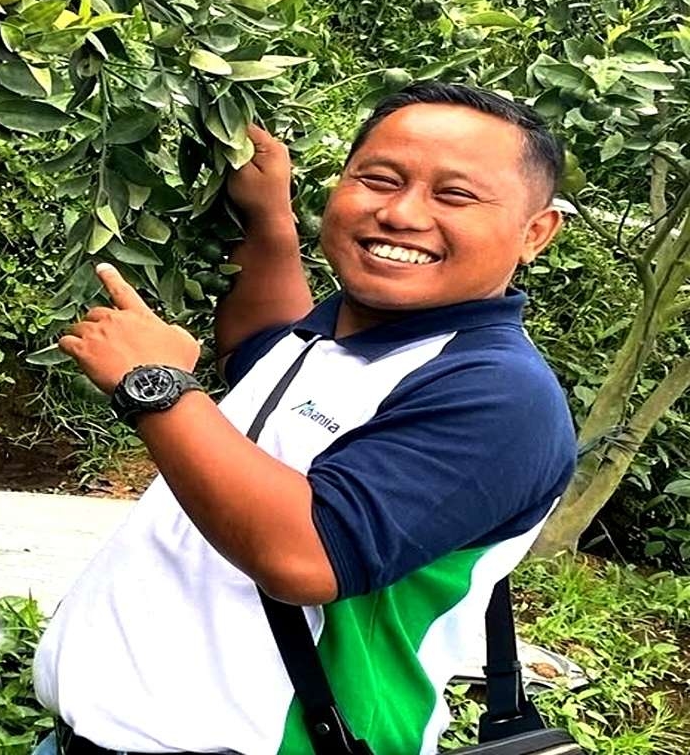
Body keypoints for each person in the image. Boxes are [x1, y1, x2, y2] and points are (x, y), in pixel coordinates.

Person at [30, 82, 578, 755]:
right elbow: (257, 343)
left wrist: (155, 386)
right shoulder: (334, 337)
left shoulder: (499, 395)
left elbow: (304, 555)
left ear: (535, 232)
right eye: (379, 179)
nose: (401, 213)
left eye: (455, 195)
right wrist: (269, 219)